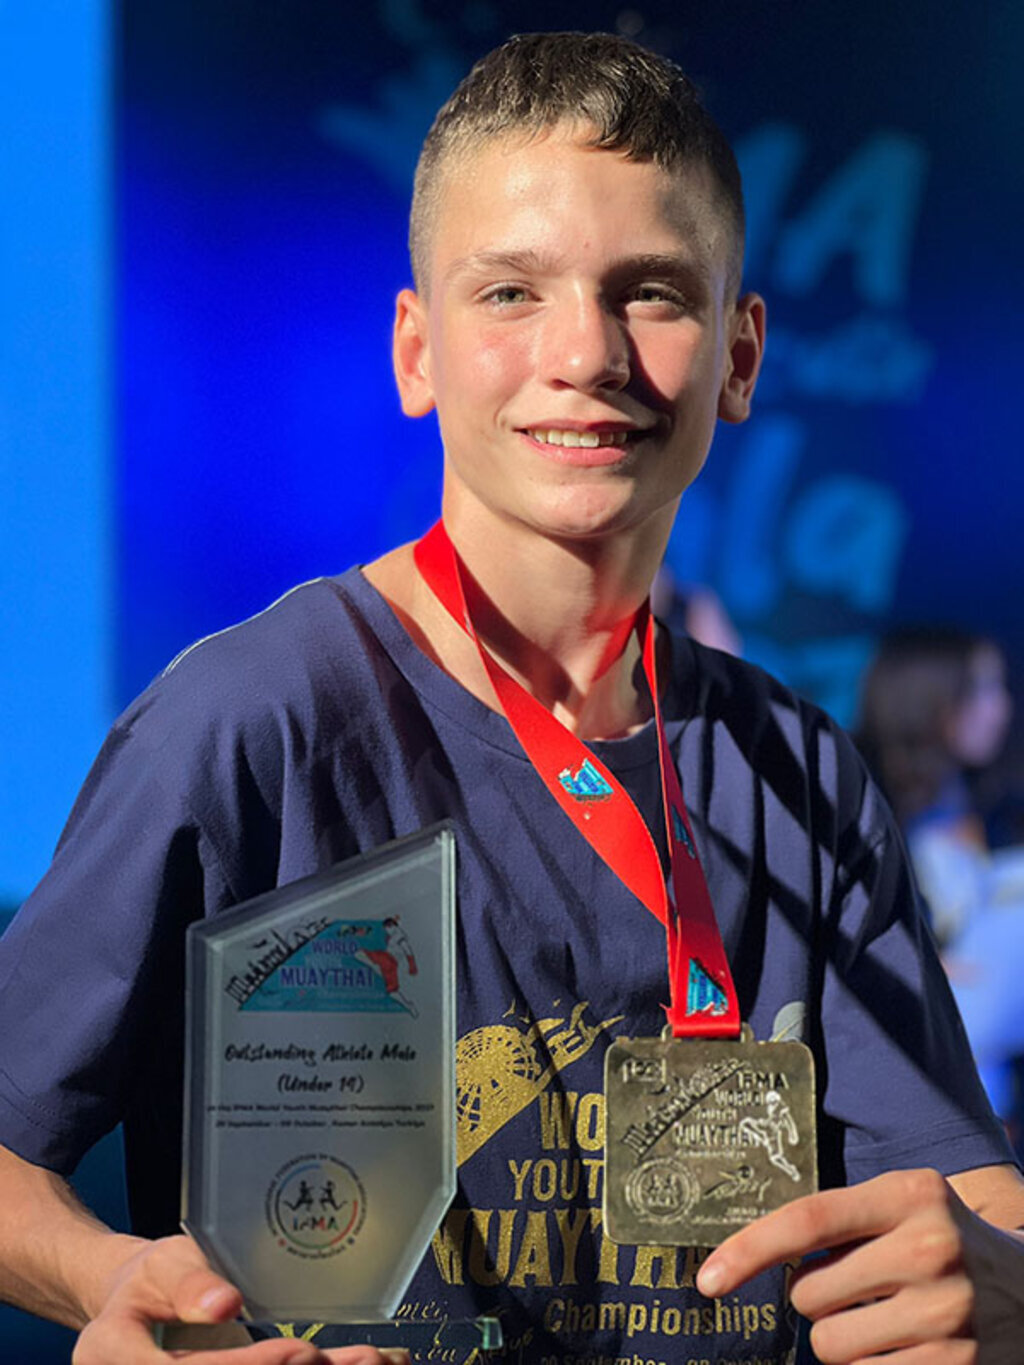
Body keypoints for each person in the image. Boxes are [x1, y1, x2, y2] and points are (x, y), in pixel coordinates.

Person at [1, 30, 1023, 1365]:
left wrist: (1007, 1278)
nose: (585, 352)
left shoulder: (799, 772)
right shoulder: (250, 721)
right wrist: (117, 1280)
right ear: (417, 352)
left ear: (739, 356)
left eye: (650, 292)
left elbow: (961, 1188)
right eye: (509, 292)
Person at [858, 628, 1024, 1122]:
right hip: (905, 1062)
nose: (1001, 709)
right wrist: (915, 958)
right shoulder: (862, 795)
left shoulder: (987, 799)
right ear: (927, 697)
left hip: (986, 1064)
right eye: (982, 690)